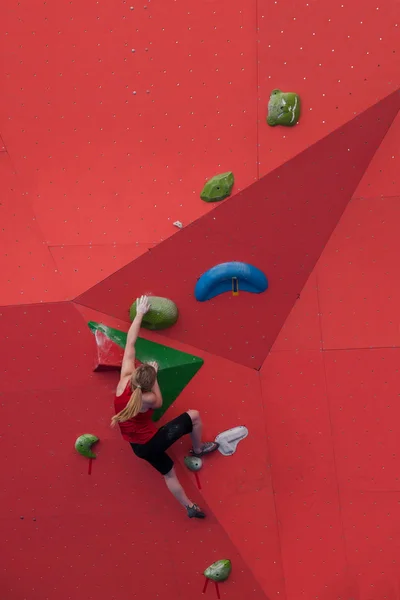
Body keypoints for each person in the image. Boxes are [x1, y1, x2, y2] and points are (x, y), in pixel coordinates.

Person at [111, 295, 219, 519]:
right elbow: (158, 401)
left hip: (138, 448)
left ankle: (189, 506)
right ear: (149, 385)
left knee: (170, 475)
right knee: (194, 416)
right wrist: (156, 375)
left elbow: (130, 343)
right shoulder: (149, 399)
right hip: (151, 442)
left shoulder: (124, 380)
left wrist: (140, 313)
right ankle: (198, 449)